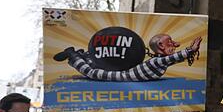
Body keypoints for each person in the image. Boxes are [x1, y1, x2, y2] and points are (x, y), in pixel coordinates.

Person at [53, 35, 202, 81]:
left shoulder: (159, 61)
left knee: (98, 68)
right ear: (160, 46)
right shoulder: (158, 60)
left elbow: (173, 59)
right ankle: (72, 54)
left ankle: (82, 55)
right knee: (93, 73)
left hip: (127, 73)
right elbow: (171, 59)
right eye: (169, 43)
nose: (173, 46)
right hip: (124, 76)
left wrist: (189, 52)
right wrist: (190, 50)